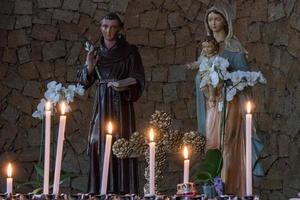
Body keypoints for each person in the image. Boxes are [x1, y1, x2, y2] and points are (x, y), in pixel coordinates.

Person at [193, 3, 263, 196]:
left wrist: (225, 79)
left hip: (231, 107)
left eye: (216, 19)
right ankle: (213, 187)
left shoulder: (234, 47)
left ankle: (232, 187)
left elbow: (245, 78)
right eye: (210, 20)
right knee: (212, 146)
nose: (213, 23)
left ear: (225, 20)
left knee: (228, 146)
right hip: (212, 107)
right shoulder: (205, 48)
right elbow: (200, 77)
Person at [77, 13, 145, 195]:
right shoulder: (95, 52)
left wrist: (125, 86)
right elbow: (82, 83)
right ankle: (99, 190)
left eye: (113, 27)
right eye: (105, 26)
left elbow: (139, 79)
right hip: (101, 103)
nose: (109, 30)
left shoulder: (130, 52)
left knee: (121, 143)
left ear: (120, 28)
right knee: (97, 143)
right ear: (100, 27)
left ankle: (123, 191)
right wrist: (89, 67)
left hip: (121, 106)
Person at [187, 35, 229, 150]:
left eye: (208, 47)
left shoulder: (217, 58)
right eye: (204, 47)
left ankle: (212, 97)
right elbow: (197, 63)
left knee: (211, 83)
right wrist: (191, 65)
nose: (205, 50)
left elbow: (222, 67)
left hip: (212, 78)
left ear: (214, 48)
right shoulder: (203, 58)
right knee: (204, 86)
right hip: (205, 78)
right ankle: (210, 97)